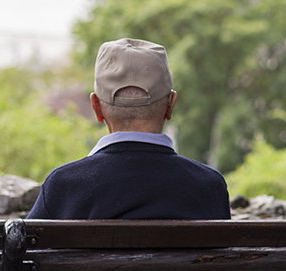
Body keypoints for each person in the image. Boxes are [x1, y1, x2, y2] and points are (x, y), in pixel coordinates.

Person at [26, 38, 231, 220]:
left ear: (96, 108)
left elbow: (23, 254)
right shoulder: (209, 186)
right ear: (171, 105)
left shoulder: (62, 187)